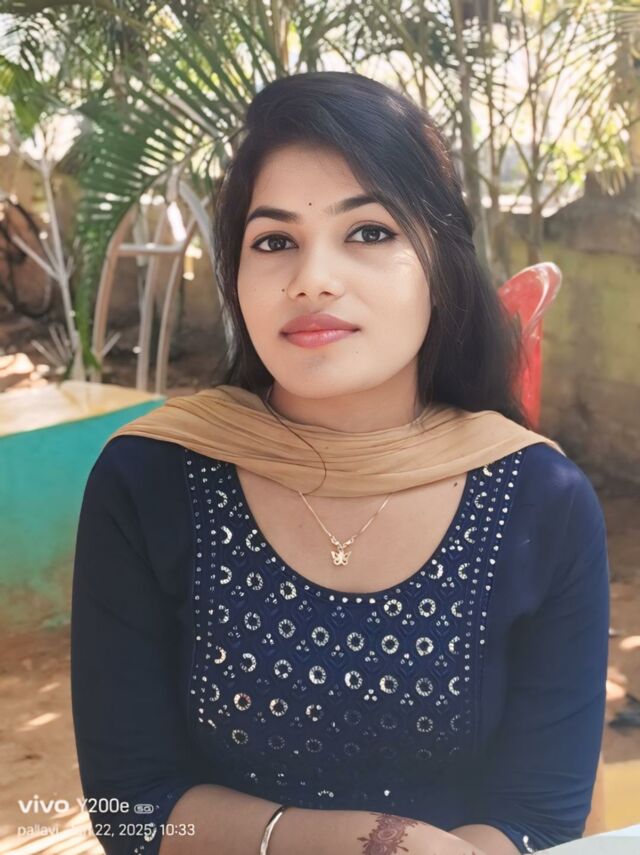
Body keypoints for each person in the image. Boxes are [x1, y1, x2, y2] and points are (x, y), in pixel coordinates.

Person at [70, 71, 610, 855]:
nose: (312, 279)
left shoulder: (540, 499)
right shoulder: (150, 480)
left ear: (441, 261)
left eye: (368, 232)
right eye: (274, 241)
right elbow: (130, 807)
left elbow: (541, 813)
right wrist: (370, 841)